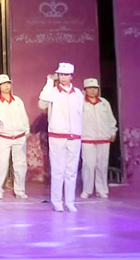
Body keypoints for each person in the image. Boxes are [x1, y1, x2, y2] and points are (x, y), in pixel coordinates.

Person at [38, 62, 84, 212]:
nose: (63, 77)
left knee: (72, 171)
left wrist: (79, 132)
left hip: (74, 135)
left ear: (71, 76)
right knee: (58, 170)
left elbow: (80, 113)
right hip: (57, 134)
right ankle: (56, 201)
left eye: (66, 75)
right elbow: (43, 97)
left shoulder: (78, 94)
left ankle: (70, 201)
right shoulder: (53, 91)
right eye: (61, 74)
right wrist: (49, 81)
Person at [0, 74, 29, 199]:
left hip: (19, 136)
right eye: (3, 84)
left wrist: (27, 130)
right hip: (3, 137)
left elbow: (23, 116)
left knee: (20, 164)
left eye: (8, 83)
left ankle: (20, 190)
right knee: (1, 163)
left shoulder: (17, 100)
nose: (6, 86)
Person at [80, 78, 117, 199]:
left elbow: (111, 119)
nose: (92, 90)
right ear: (85, 90)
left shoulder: (104, 103)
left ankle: (101, 189)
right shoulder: (81, 103)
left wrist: (112, 131)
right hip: (87, 139)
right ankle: (87, 190)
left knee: (102, 165)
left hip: (103, 138)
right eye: (90, 88)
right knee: (88, 165)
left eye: (95, 88)